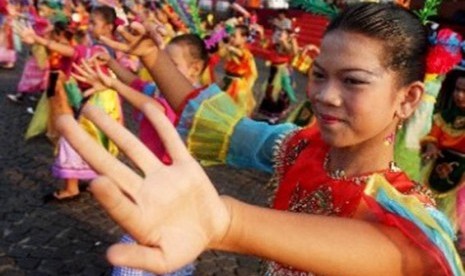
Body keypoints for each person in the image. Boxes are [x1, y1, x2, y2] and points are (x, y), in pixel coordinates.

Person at [56, 3, 463, 275]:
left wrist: (226, 222)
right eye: (319, 74)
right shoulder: (297, 147)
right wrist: (152, 57)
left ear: (408, 99)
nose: (324, 95)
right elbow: (220, 122)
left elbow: (398, 255)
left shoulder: (410, 216)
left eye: (353, 81)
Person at [421, 68, 465, 249]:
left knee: (458, 208)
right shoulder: (444, 116)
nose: (460, 95)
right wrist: (431, 145)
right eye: (457, 89)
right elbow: (433, 135)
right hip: (439, 164)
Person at [220, 24, 258, 116]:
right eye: (231, 35)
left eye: (234, 36)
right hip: (227, 80)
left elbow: (241, 54)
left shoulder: (245, 53)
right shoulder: (230, 50)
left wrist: (230, 47)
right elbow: (221, 53)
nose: (231, 38)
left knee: (232, 110)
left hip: (237, 86)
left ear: (244, 38)